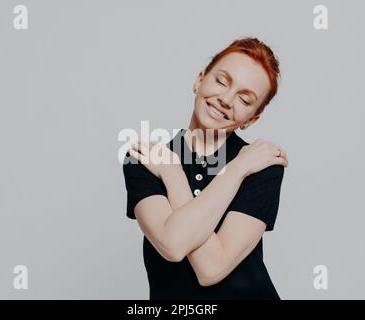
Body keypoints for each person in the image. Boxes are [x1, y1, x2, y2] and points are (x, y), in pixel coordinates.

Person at [122, 36, 289, 300]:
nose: (225, 99)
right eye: (221, 81)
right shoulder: (144, 160)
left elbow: (211, 269)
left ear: (251, 119)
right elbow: (173, 245)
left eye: (245, 100)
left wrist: (237, 166)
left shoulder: (261, 165)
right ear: (200, 80)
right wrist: (174, 170)